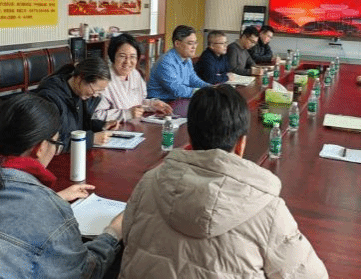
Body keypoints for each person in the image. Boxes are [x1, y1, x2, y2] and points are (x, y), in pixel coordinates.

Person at [119, 85, 328, 279]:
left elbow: (127, 239)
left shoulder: (148, 183)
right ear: (241, 144)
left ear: (190, 137)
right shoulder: (268, 209)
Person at [0, 93, 123, 279]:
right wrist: (113, 232)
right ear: (40, 148)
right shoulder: (49, 208)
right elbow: (85, 272)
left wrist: (54, 199)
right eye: (56, 143)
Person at [92, 33, 172, 122]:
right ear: (113, 56)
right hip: (115, 128)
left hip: (134, 125)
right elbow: (96, 115)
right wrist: (127, 114)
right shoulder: (103, 79)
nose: (127, 62)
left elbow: (137, 103)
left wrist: (152, 105)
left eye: (132, 57)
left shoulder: (134, 74)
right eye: (122, 56)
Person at [37, 57, 111, 150]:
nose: (95, 95)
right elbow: (51, 142)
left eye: (99, 92)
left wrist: (101, 126)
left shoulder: (80, 95)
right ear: (80, 78)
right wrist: (91, 139)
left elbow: (76, 126)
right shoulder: (50, 97)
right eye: (94, 90)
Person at [146, 25, 209, 100]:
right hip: (161, 103)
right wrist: (203, 92)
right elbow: (177, 90)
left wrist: (211, 88)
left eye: (195, 43)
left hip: (177, 100)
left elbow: (194, 80)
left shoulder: (187, 59)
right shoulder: (166, 62)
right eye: (190, 43)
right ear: (177, 44)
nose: (194, 47)